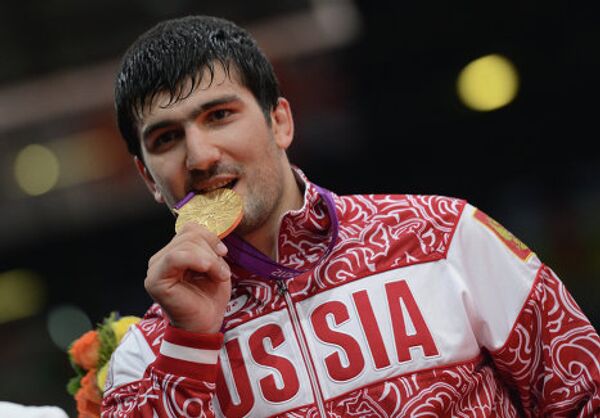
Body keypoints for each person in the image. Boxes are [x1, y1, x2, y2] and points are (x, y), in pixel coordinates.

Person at [103, 15, 600, 417]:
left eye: (220, 116)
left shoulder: (442, 237)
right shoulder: (145, 357)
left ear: (280, 122)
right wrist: (189, 343)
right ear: (149, 179)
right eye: (166, 139)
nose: (200, 156)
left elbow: (584, 394)